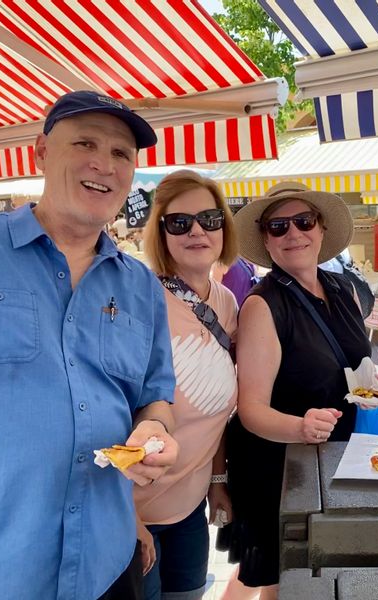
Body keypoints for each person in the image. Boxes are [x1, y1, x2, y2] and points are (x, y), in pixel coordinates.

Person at [0, 90, 179, 600]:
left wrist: (155, 431)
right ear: (41, 152)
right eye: (85, 143)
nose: (104, 164)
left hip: (107, 562)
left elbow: (154, 395)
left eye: (121, 154)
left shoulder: (141, 286)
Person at [220, 182, 372, 600]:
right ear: (266, 240)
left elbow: (358, 368)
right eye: (278, 226)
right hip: (280, 465)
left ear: (321, 229)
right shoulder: (262, 305)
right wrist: (301, 427)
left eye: (304, 221)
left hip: (335, 454)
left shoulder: (344, 291)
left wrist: (374, 391)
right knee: (284, 578)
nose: (294, 234)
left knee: (310, 569)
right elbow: (251, 409)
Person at [137, 171, 239, 600]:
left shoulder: (227, 303)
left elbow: (217, 411)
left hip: (190, 509)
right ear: (161, 232)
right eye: (180, 222)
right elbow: (101, 412)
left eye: (209, 219)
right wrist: (124, 519)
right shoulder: (140, 298)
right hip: (133, 510)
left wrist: (218, 480)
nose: (197, 230)